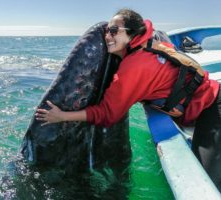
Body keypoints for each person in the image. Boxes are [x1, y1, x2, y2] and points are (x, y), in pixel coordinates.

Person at [35, 8, 221, 190]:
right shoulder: (152, 43)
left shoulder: (133, 68)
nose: (107, 36)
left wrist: (61, 116)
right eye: (107, 31)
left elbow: (108, 114)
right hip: (210, 98)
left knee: (209, 182)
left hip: (212, 108)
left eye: (114, 31)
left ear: (132, 33)